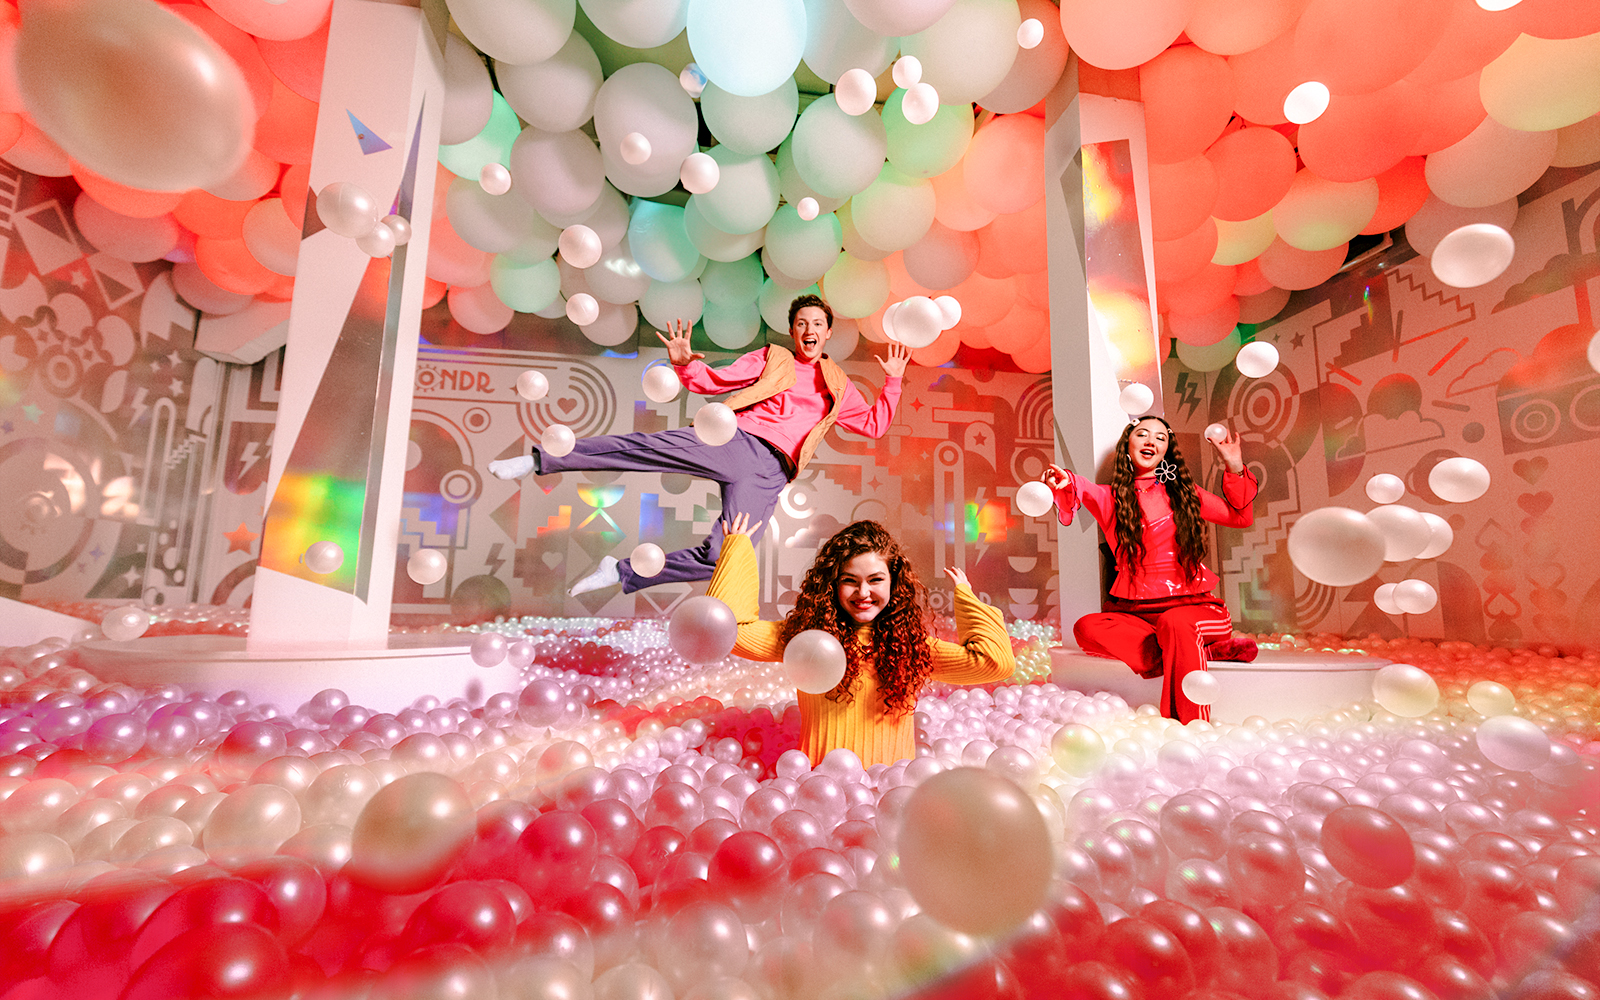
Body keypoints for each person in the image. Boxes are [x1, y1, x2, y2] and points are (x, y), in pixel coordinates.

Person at [490, 295, 910, 596]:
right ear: (792, 330)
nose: (808, 331)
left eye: (816, 324)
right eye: (801, 323)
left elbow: (873, 425)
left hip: (771, 472)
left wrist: (893, 381)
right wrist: (684, 361)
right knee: (644, 448)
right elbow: (718, 380)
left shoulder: (839, 384)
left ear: (828, 332)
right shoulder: (773, 357)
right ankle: (537, 460)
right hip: (733, 439)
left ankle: (620, 572)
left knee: (721, 555)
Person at [707, 512, 1015, 768]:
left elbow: (995, 663)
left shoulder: (911, 649)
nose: (864, 593)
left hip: (889, 800)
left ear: (894, 583)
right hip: (817, 797)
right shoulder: (805, 641)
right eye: (850, 581)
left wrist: (965, 597)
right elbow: (730, 630)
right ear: (832, 586)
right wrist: (737, 548)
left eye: (876, 580)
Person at [1043, 416, 1258, 724]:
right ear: (1127, 446)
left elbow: (1240, 517)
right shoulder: (1111, 497)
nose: (1150, 442)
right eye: (1142, 434)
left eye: (1160, 438)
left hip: (1196, 610)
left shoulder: (1186, 494)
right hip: (1138, 617)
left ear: (1167, 450)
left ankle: (1190, 726)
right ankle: (1196, 652)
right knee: (1086, 628)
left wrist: (1234, 466)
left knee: (1176, 623)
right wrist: (1064, 479)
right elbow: (1081, 488)